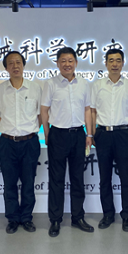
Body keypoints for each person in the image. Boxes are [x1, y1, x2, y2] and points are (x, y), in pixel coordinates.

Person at [41, 47, 94, 237]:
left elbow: (87, 110)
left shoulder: (84, 84)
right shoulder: (50, 84)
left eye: (70, 60)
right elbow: (44, 110)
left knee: (77, 178)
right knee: (56, 179)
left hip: (78, 134)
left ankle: (78, 217)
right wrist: (47, 133)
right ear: (57, 63)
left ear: (76, 63)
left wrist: (89, 134)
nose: (67, 64)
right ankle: (55, 220)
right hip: (58, 134)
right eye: (63, 60)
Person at [91, 48, 128, 232]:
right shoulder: (97, 85)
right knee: (104, 177)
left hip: (122, 134)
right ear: (105, 63)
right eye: (111, 60)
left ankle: (127, 216)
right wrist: (91, 134)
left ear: (123, 63)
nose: (114, 64)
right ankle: (108, 214)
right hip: (103, 133)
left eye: (118, 60)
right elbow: (92, 111)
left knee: (126, 177)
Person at [0, 51, 41, 234]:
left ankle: (26, 218)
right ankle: (12, 219)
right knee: (9, 183)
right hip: (7, 143)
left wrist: (27, 131)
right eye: (11, 63)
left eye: (18, 62)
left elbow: (40, 115)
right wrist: (12, 131)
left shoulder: (35, 88)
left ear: (24, 65)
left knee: (28, 182)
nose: (15, 66)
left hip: (30, 142)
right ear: (6, 68)